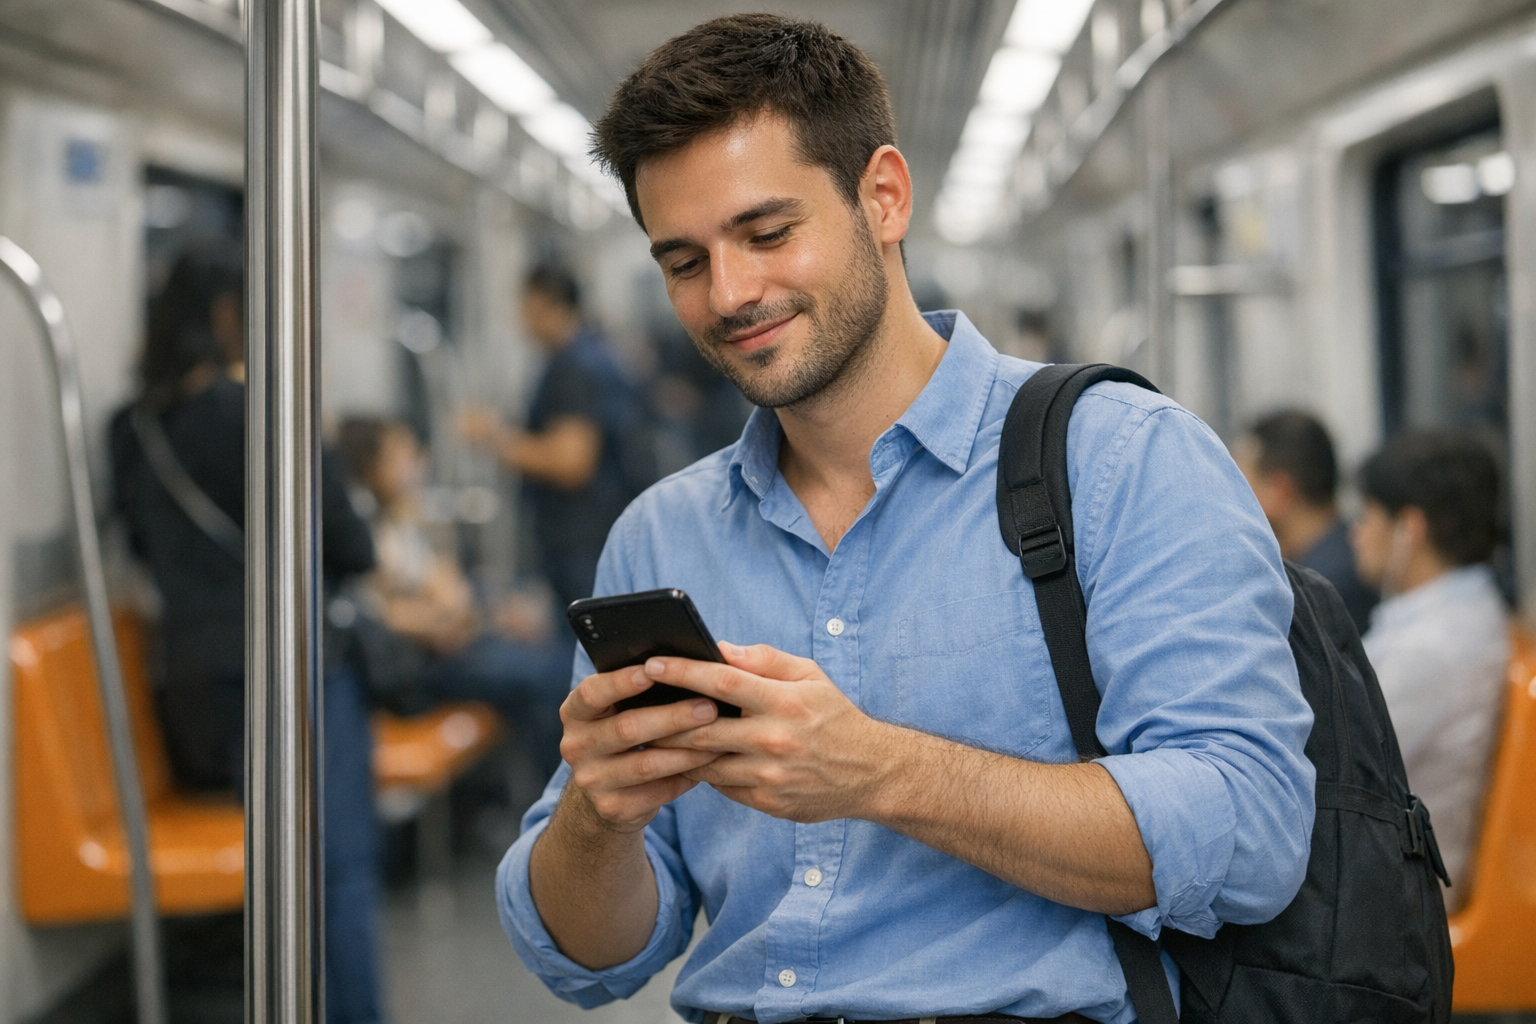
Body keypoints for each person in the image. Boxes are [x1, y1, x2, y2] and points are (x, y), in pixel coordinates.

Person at [496, 16, 1314, 1024]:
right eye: (684, 262)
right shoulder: (661, 539)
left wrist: (882, 771)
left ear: (883, 196)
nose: (731, 293)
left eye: (767, 233)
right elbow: (593, 959)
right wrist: (597, 814)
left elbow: (1250, 830)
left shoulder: (1123, 459)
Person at [109, 241, 385, 1024]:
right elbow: (352, 549)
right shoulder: (266, 410)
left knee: (273, 866)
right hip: (295, 671)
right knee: (340, 871)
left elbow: (141, 549)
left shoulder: (128, 429)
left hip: (192, 689)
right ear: (231, 313)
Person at [337, 415, 573, 777]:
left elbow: (449, 590)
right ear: (371, 468)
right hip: (421, 671)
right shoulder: (364, 539)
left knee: (557, 663)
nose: (417, 465)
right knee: (546, 679)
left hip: (457, 644)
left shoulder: (402, 520)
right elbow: (393, 613)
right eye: (402, 457)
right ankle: (558, 798)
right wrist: (445, 614)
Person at [1350, 433, 1508, 910]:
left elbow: (1334, 763)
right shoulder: (1461, 614)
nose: (1355, 532)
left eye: (1366, 515)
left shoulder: (1431, 648)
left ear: (1409, 530)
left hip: (1407, 903)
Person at [459, 264, 648, 609]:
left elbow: (570, 462)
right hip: (597, 531)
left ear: (545, 303)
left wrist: (491, 437)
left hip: (584, 539)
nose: (520, 317)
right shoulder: (595, 352)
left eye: (524, 304)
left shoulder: (574, 366)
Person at [1234, 410, 1377, 633]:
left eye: (1240, 480)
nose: (1232, 496)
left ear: (1279, 489)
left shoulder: (1318, 589)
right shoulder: (1346, 557)